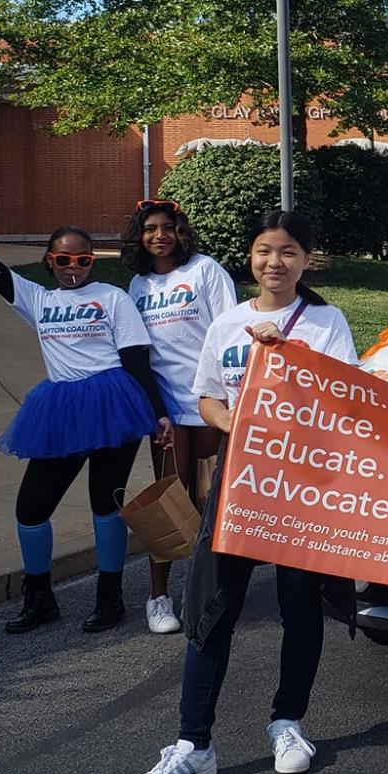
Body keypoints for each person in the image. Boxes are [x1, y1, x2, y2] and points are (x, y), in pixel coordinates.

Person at [132, 210, 359, 774]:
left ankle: (288, 724)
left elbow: (344, 399)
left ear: (306, 259)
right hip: (240, 483)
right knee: (211, 605)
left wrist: (285, 354)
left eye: (287, 252)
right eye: (263, 252)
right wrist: (234, 421)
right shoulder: (227, 323)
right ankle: (192, 745)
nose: (274, 263)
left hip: (302, 486)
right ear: (250, 259)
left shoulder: (326, 323)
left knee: (299, 607)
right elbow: (206, 396)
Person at [0, 181, 168, 634]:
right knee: (31, 508)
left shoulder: (113, 299)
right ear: (49, 260)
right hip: (59, 409)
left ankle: (109, 599)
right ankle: (40, 599)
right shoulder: (38, 299)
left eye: (82, 260)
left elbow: (136, 359)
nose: (72, 268)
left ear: (92, 261)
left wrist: (157, 413)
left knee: (104, 505)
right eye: (62, 259)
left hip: (114, 404)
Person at [123, 199, 240, 635]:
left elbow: (228, 332)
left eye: (166, 227)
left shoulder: (205, 270)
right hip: (167, 410)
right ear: (139, 236)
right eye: (150, 229)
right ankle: (158, 597)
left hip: (209, 402)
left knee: (211, 502)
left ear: (180, 231)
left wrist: (231, 397)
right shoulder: (137, 286)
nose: (159, 236)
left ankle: (209, 591)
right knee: (169, 501)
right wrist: (153, 410)